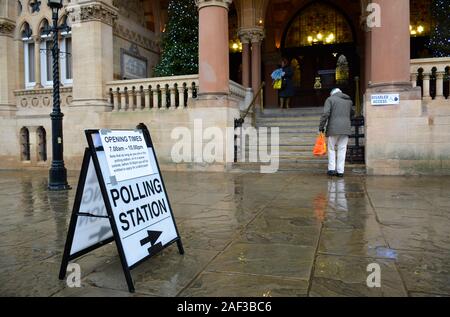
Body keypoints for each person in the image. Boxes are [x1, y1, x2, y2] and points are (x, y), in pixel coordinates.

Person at [319, 88, 354, 177]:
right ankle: (340, 171)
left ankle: (331, 169)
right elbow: (352, 113)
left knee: (331, 148)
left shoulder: (330, 99)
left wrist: (321, 127)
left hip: (333, 128)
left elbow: (325, 114)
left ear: (332, 94)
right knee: (342, 149)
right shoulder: (348, 101)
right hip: (345, 129)